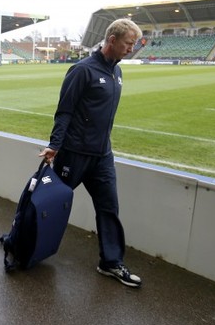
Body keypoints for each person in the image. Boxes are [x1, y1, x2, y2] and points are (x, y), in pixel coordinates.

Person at [39, 18, 143, 288]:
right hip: (74, 154)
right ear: (112, 40)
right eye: (129, 43)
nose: (132, 48)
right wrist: (55, 145)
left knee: (109, 208)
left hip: (102, 156)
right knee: (49, 204)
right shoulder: (82, 71)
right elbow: (65, 111)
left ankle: (110, 262)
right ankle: (20, 243)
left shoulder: (117, 73)